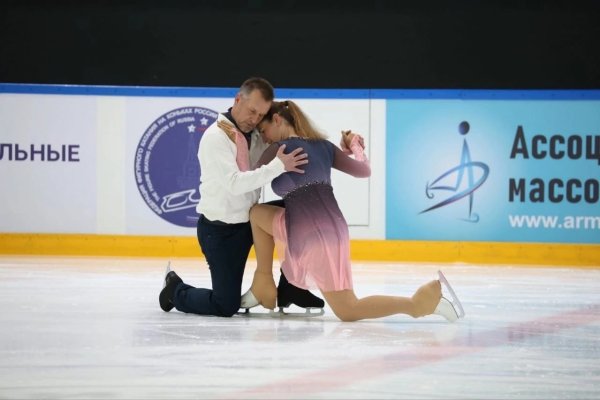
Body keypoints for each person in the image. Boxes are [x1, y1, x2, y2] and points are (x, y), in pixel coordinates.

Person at [224, 100, 464, 322]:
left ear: (277, 120)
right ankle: (263, 282)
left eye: (264, 130)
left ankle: (418, 304)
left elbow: (246, 178)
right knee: (258, 214)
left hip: (311, 234)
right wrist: (354, 146)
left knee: (348, 309)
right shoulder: (323, 147)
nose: (264, 138)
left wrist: (237, 140)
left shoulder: (278, 150)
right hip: (332, 227)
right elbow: (364, 170)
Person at [159, 78, 324, 317]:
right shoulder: (216, 137)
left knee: (301, 212)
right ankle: (175, 290)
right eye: (252, 111)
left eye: (261, 115)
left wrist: (344, 149)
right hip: (220, 232)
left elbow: (289, 136)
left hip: (250, 222)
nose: (255, 119)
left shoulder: (256, 134)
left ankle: (291, 288)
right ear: (238, 99)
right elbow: (234, 184)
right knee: (225, 305)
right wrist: (277, 166)